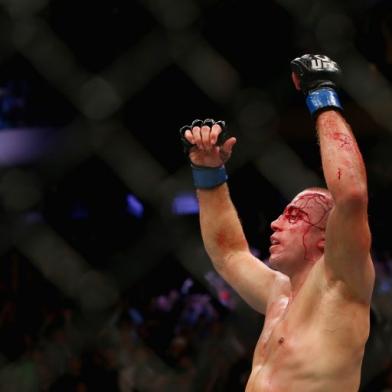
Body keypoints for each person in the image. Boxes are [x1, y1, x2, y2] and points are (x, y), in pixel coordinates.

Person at [179, 54, 375, 391]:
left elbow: (352, 195)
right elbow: (229, 254)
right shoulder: (278, 294)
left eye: (295, 216)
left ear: (327, 239)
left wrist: (321, 94)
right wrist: (209, 173)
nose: (275, 224)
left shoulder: (342, 283)